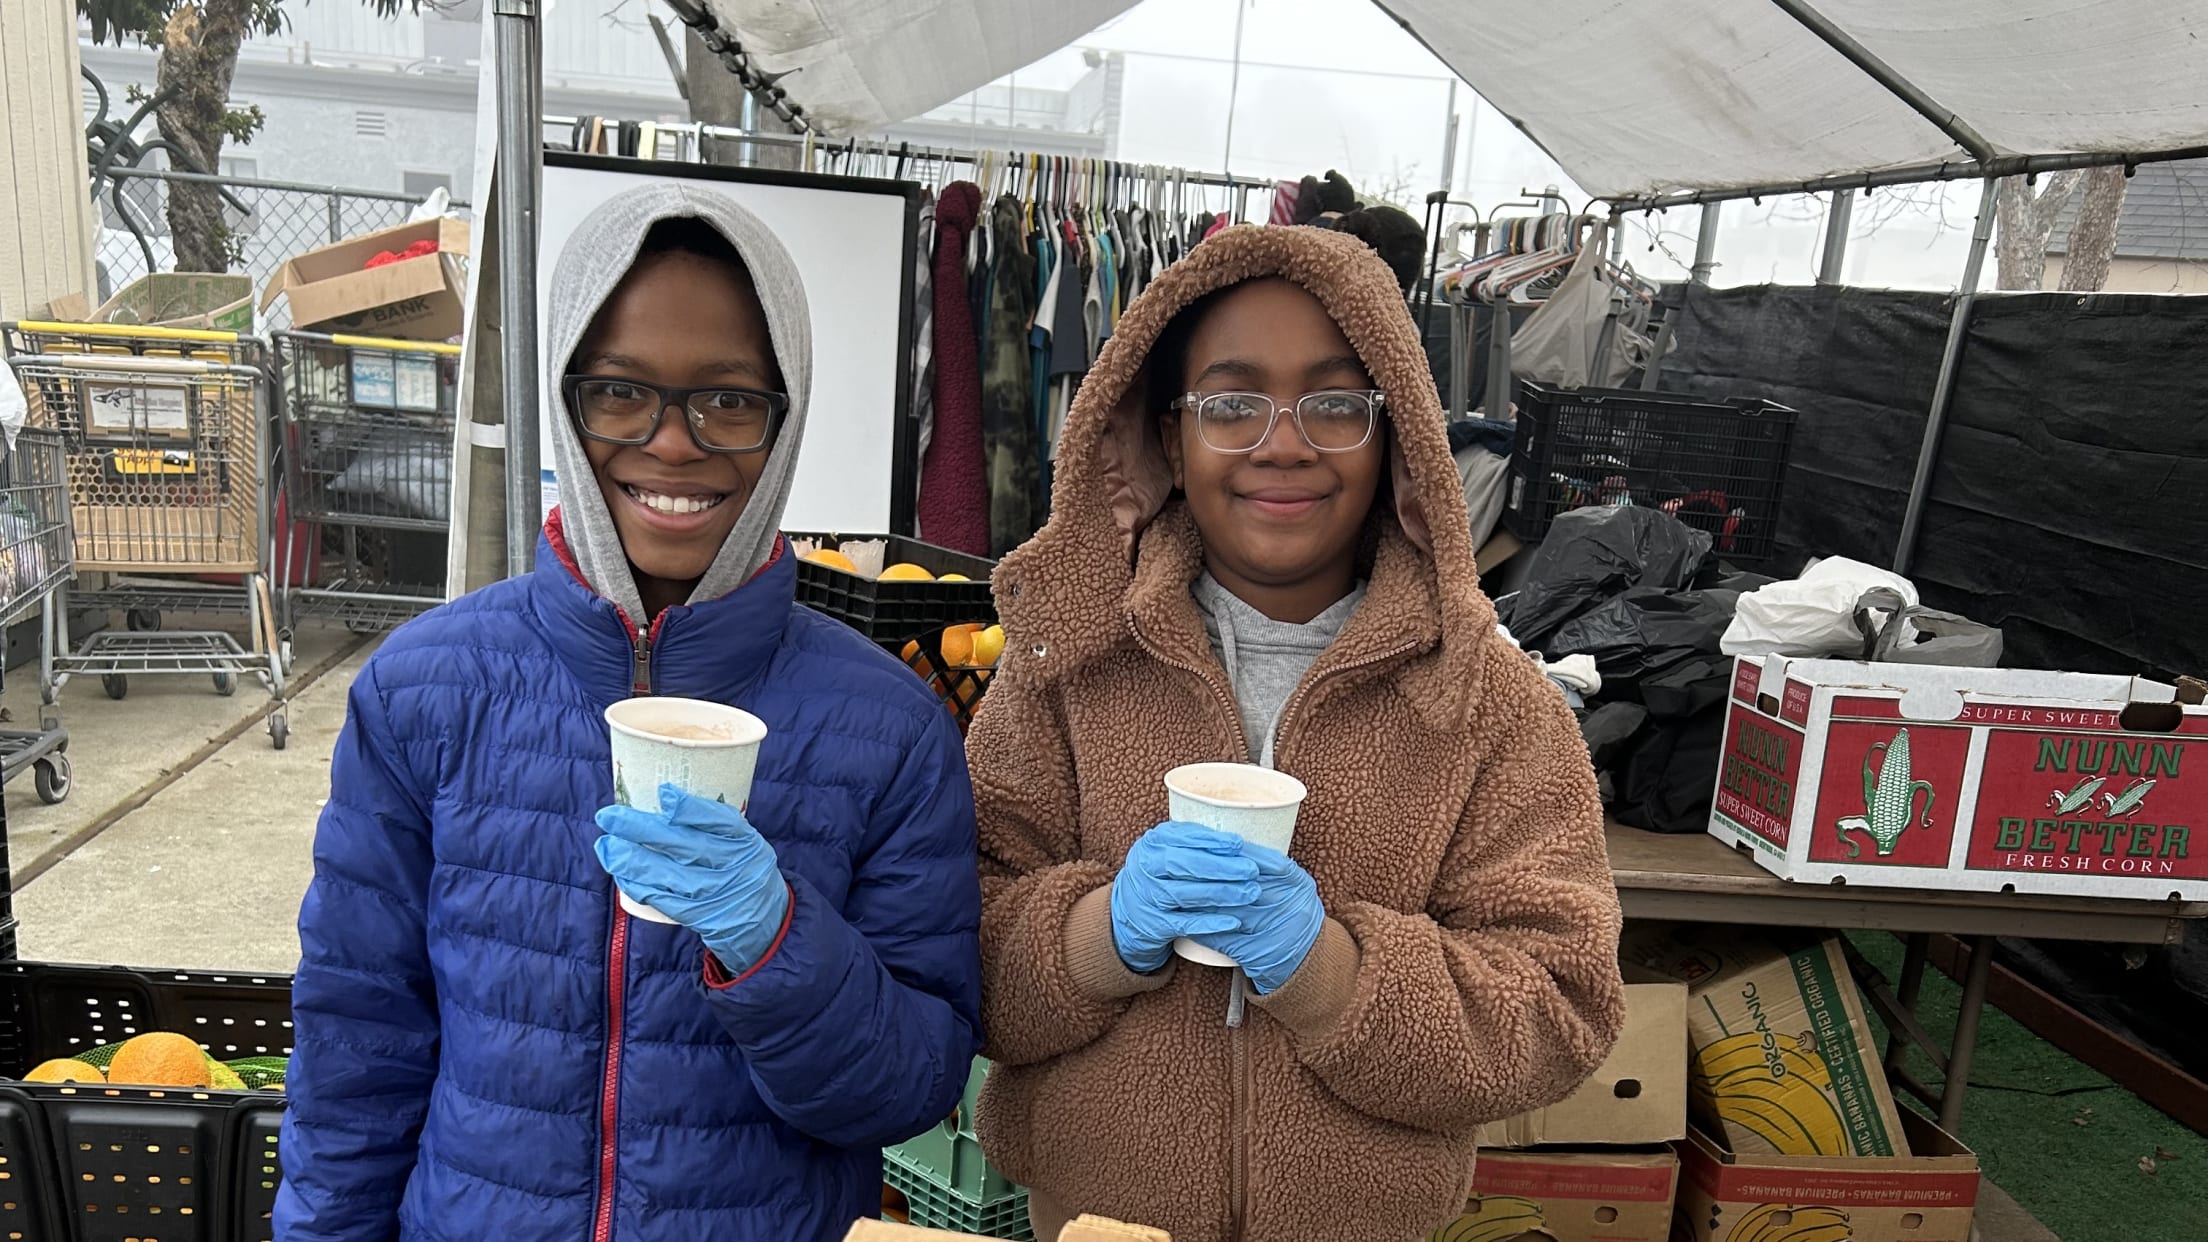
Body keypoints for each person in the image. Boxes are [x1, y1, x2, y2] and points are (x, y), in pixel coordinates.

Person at [277, 185, 982, 1242]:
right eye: (619, 392)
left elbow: (906, 1088)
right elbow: (357, 1043)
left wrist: (772, 940)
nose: (672, 444)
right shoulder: (426, 689)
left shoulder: (889, 726)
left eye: (729, 400)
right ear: (565, 397)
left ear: (786, 416)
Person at [968, 224, 1625, 1242]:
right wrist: (1098, 934)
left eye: (1334, 403)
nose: (1285, 441)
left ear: (1396, 433)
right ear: (1165, 438)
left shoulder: (1488, 700)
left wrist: (1327, 970)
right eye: (1231, 403)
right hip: (1093, 1226)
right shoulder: (1065, 669)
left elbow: (1559, 1006)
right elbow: (951, 940)